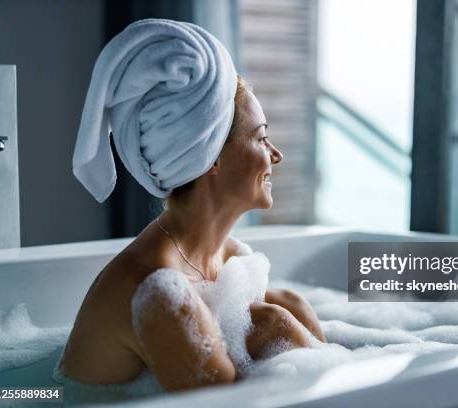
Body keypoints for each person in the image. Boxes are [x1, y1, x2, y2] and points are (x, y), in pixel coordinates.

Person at [59, 19, 325, 392]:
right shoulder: (159, 291)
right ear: (211, 158)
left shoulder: (230, 260)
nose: (275, 155)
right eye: (261, 138)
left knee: (284, 308)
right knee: (273, 323)